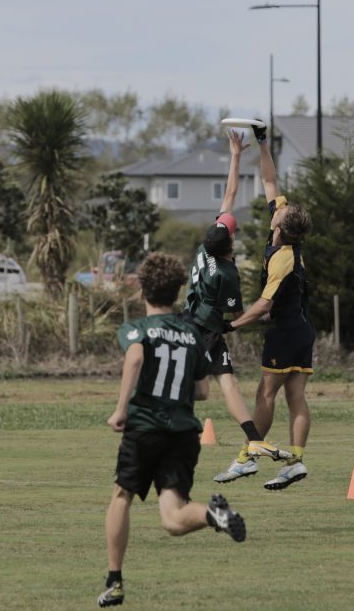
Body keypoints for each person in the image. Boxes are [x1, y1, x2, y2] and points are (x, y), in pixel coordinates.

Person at [99, 252, 246, 608]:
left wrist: (121, 410)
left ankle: (114, 581)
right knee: (173, 518)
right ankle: (215, 515)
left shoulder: (137, 328)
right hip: (183, 434)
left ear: (142, 292)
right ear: (178, 293)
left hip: (146, 428)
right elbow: (202, 391)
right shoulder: (193, 335)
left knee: (122, 496)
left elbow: (135, 357)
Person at [181, 128, 291, 484]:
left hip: (188, 324)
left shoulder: (205, 248)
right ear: (229, 241)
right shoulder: (227, 274)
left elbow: (228, 194)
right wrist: (256, 318)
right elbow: (233, 315)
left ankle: (172, 401)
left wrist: (235, 155)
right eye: (234, 231)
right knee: (226, 382)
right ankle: (255, 441)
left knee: (201, 391)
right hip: (208, 329)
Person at [222, 121, 314, 490]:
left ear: (280, 224)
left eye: (278, 210)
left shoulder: (282, 259)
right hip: (303, 330)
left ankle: (247, 457)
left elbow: (263, 306)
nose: (275, 206)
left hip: (286, 330)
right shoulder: (284, 236)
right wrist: (262, 145)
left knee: (265, 393)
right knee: (296, 395)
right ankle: (295, 462)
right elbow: (271, 182)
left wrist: (231, 326)